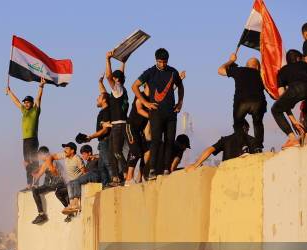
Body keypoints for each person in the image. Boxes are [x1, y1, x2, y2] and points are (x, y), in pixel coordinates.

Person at [132, 48, 184, 178]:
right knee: (156, 141)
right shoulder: (150, 72)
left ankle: (167, 169)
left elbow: (181, 86)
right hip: (156, 113)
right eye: (160, 62)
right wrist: (145, 103)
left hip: (171, 113)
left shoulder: (173, 72)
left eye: (164, 62)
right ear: (156, 60)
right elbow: (134, 86)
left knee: (170, 141)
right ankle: (152, 170)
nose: (162, 64)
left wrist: (180, 102)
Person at [271, 49, 307, 149]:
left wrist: (293, 120)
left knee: (275, 110)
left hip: (298, 87)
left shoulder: (283, 71)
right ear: (299, 58)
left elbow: (282, 97)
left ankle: (292, 139)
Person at [217, 53, 267, 151]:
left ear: (246, 65)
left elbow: (220, 70)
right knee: (258, 123)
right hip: (258, 102)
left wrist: (231, 60)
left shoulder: (239, 70)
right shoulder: (262, 74)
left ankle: (244, 146)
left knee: (238, 124)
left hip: (241, 102)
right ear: (257, 67)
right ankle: (258, 146)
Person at [6, 77, 47, 189]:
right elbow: (16, 102)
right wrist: (9, 92)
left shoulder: (35, 111)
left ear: (31, 103)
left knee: (33, 161)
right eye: (25, 102)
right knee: (26, 162)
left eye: (28, 102)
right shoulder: (24, 111)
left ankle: (36, 183)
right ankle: (29, 184)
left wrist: (41, 86)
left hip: (33, 139)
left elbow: (39, 98)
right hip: (25, 140)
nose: (26, 104)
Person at [186, 119, 256, 170]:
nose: (247, 132)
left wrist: (195, 164)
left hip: (226, 173)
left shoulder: (225, 140)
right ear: (244, 128)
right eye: (248, 129)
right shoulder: (252, 140)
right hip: (244, 172)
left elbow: (210, 150)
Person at [105, 50, 129, 185]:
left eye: (114, 79)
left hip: (118, 125)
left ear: (116, 80)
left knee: (117, 152)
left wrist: (107, 59)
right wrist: (123, 63)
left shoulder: (117, 88)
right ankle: (115, 177)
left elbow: (109, 76)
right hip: (118, 124)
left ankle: (126, 173)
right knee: (111, 153)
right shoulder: (122, 89)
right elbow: (120, 76)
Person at [29, 146, 70, 225]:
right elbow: (38, 175)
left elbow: (57, 173)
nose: (39, 157)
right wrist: (33, 182)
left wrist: (50, 167)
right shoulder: (45, 163)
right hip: (49, 185)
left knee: (59, 193)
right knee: (35, 190)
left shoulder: (53, 161)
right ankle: (41, 214)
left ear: (44, 154)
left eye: (40, 155)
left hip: (59, 184)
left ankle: (69, 211)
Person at [63, 144, 100, 214]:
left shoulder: (96, 159)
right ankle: (72, 203)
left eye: (84, 154)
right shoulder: (88, 163)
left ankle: (77, 203)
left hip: (95, 175)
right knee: (70, 183)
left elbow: (101, 157)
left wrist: (94, 156)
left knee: (76, 181)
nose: (83, 156)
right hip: (90, 175)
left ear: (89, 153)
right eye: (82, 154)